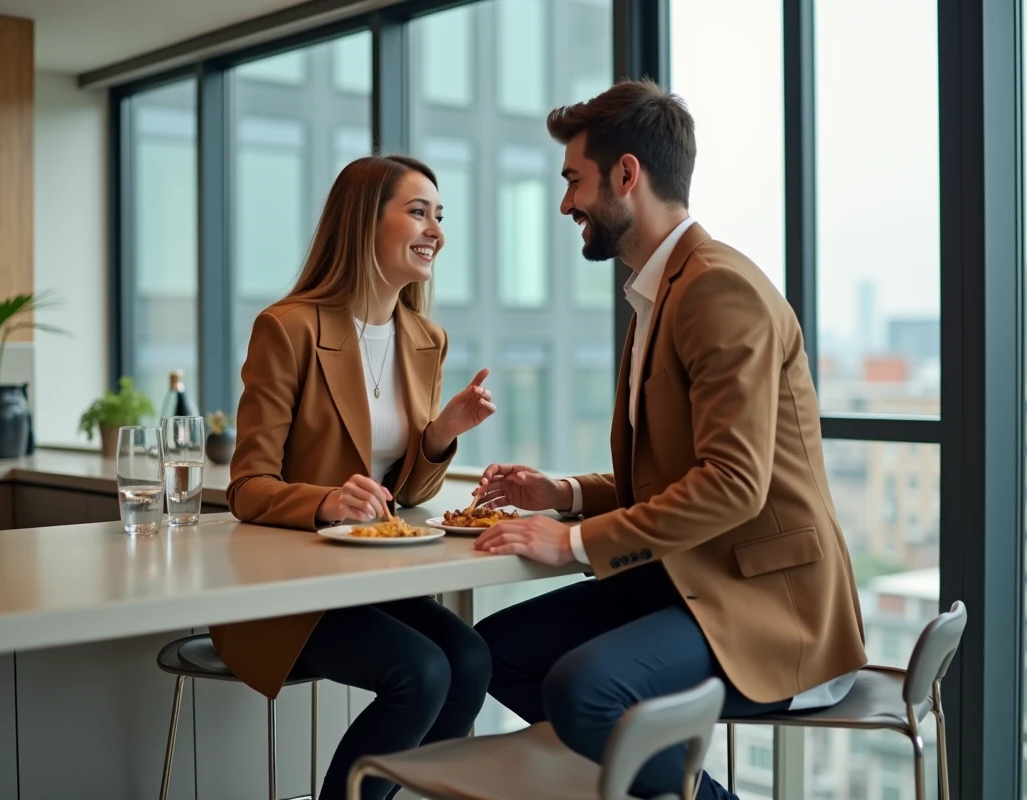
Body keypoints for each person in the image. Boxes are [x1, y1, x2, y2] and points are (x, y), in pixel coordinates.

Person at [470, 81, 867, 800]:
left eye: (573, 181)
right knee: (492, 654)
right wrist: (562, 495)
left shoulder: (718, 290)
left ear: (628, 175)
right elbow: (673, 477)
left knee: (583, 688)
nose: (566, 205)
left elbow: (732, 485)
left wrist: (569, 543)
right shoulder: (661, 293)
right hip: (696, 574)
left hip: (770, 602)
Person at [214, 155, 496, 800]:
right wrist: (327, 502)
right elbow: (247, 486)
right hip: (289, 590)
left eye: (440, 216)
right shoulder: (287, 328)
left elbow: (407, 498)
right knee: (422, 671)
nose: (436, 232)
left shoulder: (426, 338)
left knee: (471, 659)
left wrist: (439, 436)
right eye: (418, 212)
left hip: (370, 580)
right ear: (366, 221)